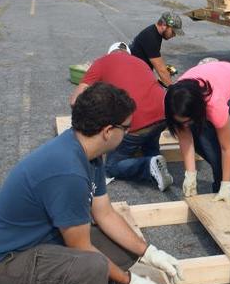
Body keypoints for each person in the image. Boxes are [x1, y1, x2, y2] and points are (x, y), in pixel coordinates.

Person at [0, 83, 183, 284]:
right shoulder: (68, 171)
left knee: (122, 253)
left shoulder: (90, 154)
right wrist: (130, 281)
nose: (129, 132)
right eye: (127, 127)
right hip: (8, 264)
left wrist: (148, 252)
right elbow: (82, 249)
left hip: (38, 244)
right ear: (108, 131)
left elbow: (105, 213)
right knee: (92, 266)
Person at [69, 42, 173, 191]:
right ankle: (155, 160)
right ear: (127, 53)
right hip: (163, 116)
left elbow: (75, 100)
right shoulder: (140, 62)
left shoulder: (102, 62)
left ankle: (147, 166)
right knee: (149, 140)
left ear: (110, 52)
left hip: (136, 123)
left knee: (112, 167)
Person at [164, 60, 230, 202]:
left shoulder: (214, 106)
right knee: (199, 135)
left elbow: (226, 148)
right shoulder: (173, 103)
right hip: (217, 76)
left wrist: (225, 185)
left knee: (207, 139)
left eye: (188, 121)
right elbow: (185, 138)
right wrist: (190, 175)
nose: (185, 125)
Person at [130, 11, 183, 87]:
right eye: (173, 31)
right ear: (164, 25)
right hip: (134, 76)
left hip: (139, 72)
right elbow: (161, 70)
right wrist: (173, 91)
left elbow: (157, 60)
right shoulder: (151, 37)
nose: (174, 35)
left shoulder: (155, 33)